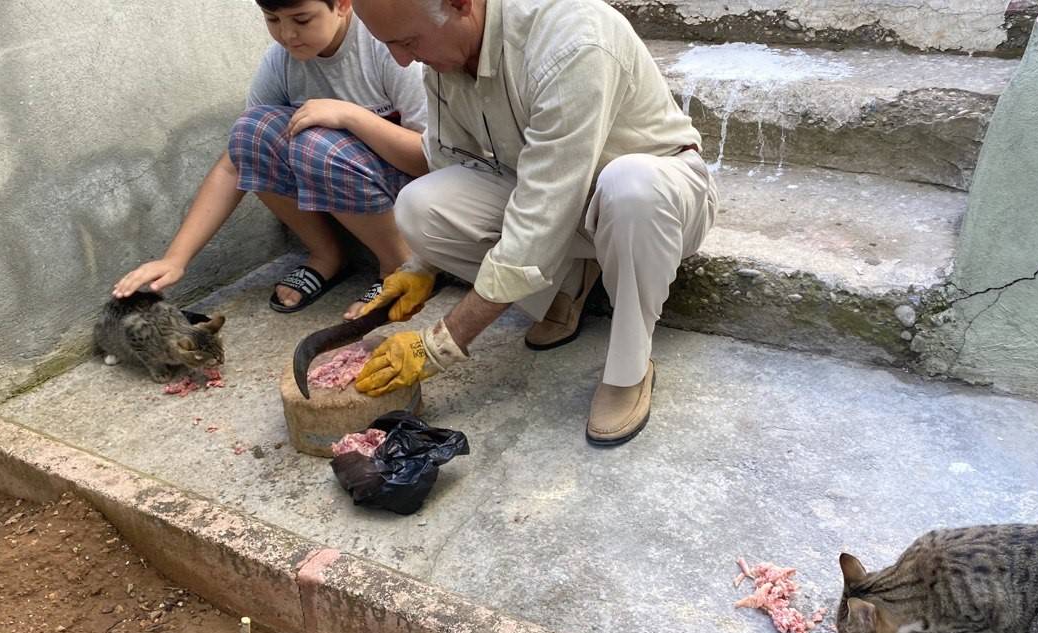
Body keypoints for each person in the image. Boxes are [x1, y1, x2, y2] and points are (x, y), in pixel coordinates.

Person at [349, 0, 718, 445]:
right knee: (419, 206)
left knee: (629, 185)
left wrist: (441, 344)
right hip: (557, 197)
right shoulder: (445, 55)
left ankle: (629, 367)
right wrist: (420, 268)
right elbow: (455, 167)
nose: (402, 60)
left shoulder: (573, 38)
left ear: (460, 4)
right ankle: (569, 283)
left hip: (659, 197)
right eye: (388, 44)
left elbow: (541, 215)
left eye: (407, 42)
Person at [113, 0, 428, 319]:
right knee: (251, 131)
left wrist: (350, 116)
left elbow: (429, 159)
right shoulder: (281, 61)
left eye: (302, 20)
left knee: (314, 143)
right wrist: (175, 259)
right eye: (272, 20)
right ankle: (326, 253)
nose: (287, 34)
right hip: (346, 177)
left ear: (343, 5)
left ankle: (400, 265)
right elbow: (237, 160)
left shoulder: (383, 43)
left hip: (411, 189)